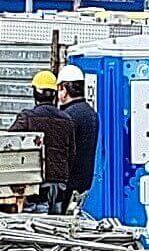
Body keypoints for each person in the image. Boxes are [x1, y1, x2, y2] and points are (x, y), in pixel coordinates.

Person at [8, 70, 74, 212]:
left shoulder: (27, 117)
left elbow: (10, 144)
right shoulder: (67, 119)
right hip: (60, 183)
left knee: (37, 227)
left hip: (37, 183)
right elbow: (72, 153)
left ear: (35, 93)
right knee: (57, 226)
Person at [56, 64, 99, 210]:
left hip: (67, 183)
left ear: (64, 89)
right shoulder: (91, 113)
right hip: (85, 182)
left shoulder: (68, 116)